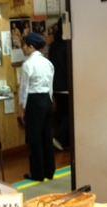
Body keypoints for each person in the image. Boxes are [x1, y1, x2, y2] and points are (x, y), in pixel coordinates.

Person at [19, 32, 55, 181]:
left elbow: (24, 88)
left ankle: (38, 174)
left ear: (31, 46)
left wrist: (22, 108)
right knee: (47, 136)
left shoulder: (28, 64)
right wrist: (49, 100)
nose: (23, 48)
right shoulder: (48, 63)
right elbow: (50, 85)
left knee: (34, 138)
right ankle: (49, 171)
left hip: (33, 101)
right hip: (47, 99)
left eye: (24, 45)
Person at [47, 19, 69, 150]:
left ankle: (59, 139)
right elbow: (68, 67)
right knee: (67, 113)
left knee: (60, 113)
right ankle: (61, 140)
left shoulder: (53, 45)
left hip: (55, 85)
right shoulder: (68, 45)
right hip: (66, 85)